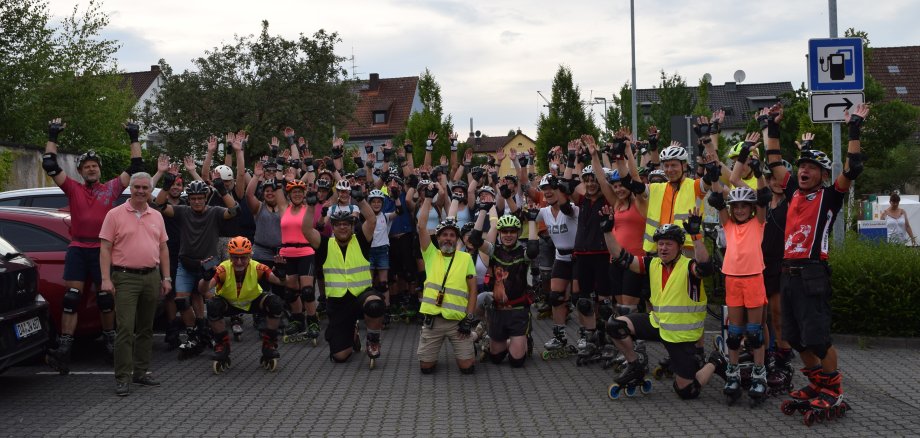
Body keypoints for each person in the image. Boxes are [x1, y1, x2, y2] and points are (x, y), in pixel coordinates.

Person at [763, 102, 870, 416]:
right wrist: (772, 125)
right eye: (801, 166)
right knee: (795, 339)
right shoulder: (794, 190)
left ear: (823, 174)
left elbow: (852, 168)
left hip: (812, 274)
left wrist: (854, 129)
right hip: (788, 273)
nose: (804, 171)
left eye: (811, 168)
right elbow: (773, 161)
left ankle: (833, 390)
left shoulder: (830, 196)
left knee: (818, 339)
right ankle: (816, 383)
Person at [43, 118, 144, 373]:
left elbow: (136, 167)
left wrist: (134, 136)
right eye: (86, 166)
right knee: (71, 298)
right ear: (80, 171)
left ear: (99, 169)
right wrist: (53, 135)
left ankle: (111, 346)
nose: (91, 169)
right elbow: (50, 164)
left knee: (105, 298)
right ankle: (64, 351)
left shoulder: (111, 188)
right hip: (78, 248)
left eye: (94, 166)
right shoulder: (72, 188)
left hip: (101, 249)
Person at [601, 206, 722, 400]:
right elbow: (622, 258)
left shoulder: (689, 266)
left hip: (682, 336)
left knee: (686, 391)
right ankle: (635, 365)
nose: (663, 248)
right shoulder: (652, 264)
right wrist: (607, 231)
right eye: (660, 244)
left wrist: (696, 235)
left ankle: (717, 360)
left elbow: (706, 267)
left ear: (680, 247)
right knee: (615, 325)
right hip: (658, 324)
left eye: (668, 244)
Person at [98, 172, 170, 396]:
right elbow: (105, 249)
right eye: (137, 187)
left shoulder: (156, 216)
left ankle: (141, 372)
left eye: (145, 188)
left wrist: (165, 277)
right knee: (126, 329)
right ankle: (122, 377)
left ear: (150, 191)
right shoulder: (115, 214)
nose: (140, 191)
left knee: (146, 328)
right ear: (130, 188)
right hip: (125, 277)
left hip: (151, 276)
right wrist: (106, 279)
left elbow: (163, 248)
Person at [709, 149, 771, 404]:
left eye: (746, 205)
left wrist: (757, 171)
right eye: (737, 206)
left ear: (752, 208)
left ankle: (759, 374)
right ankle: (733, 373)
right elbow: (715, 198)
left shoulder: (759, 223)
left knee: (755, 332)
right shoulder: (728, 224)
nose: (742, 209)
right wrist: (713, 175)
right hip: (732, 279)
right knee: (734, 333)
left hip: (754, 278)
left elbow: (764, 196)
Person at [301, 183, 385, 368]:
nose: (343, 228)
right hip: (338, 303)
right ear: (333, 227)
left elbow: (371, 221)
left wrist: (361, 200)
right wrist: (310, 205)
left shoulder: (361, 241)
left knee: (376, 304)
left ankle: (373, 339)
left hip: (361, 295)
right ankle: (352, 334)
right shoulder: (325, 245)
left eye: (347, 224)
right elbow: (307, 230)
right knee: (340, 356)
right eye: (338, 225)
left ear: (352, 226)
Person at [155, 175, 239, 359]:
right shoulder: (183, 211)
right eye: (193, 198)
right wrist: (167, 185)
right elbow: (159, 206)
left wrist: (222, 190)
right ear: (189, 199)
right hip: (186, 263)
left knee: (212, 303)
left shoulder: (214, 211)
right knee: (181, 301)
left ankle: (216, 337)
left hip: (208, 265)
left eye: (200, 198)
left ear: (205, 197)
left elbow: (233, 210)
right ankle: (194, 335)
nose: (197, 202)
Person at [416, 182, 478, 374]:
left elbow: (473, 290)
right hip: (433, 320)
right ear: (439, 238)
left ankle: (474, 336)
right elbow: (421, 226)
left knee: (467, 368)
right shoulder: (431, 254)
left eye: (452, 235)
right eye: (444, 235)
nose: (448, 238)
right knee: (426, 368)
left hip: (457, 322)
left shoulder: (465, 257)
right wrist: (428, 198)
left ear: (457, 239)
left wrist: (468, 318)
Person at [206, 237, 286, 373]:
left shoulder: (258, 267)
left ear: (250, 255)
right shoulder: (223, 268)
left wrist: (282, 273)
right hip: (228, 303)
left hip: (253, 301)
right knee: (212, 305)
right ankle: (222, 345)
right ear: (230, 256)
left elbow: (281, 282)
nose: (239, 262)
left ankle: (269, 344)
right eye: (235, 258)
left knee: (275, 303)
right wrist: (205, 278)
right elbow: (203, 289)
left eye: (243, 258)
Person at [474, 213, 539, 368]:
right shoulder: (493, 250)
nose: (508, 235)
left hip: (518, 310)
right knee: (496, 358)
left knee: (516, 362)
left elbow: (533, 250)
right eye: (504, 231)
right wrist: (483, 212)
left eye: (512, 231)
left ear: (517, 233)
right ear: (499, 233)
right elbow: (475, 240)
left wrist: (531, 220)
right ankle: (513, 341)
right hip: (498, 310)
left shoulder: (523, 252)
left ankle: (524, 339)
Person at [277, 179, 321, 344]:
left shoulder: (307, 209)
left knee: (308, 291)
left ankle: (313, 321)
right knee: (290, 292)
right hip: (287, 252)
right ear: (289, 195)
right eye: (293, 192)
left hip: (305, 251)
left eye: (299, 192)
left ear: (303, 195)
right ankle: (297, 320)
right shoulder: (283, 208)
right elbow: (277, 189)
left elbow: (312, 211)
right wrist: (279, 168)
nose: (297, 194)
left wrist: (312, 201)